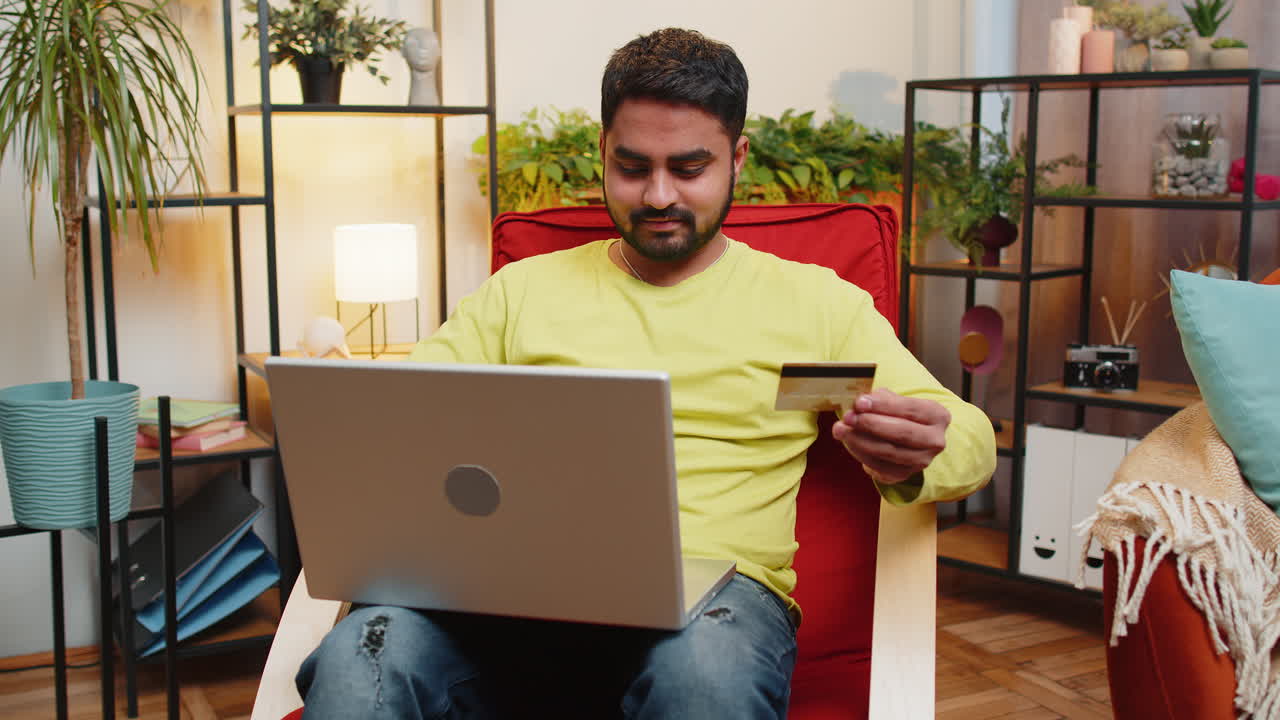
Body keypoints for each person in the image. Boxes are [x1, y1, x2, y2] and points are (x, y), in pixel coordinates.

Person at [296, 27, 996, 719]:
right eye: (633, 167)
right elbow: (402, 413)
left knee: (704, 675)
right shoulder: (522, 293)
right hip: (511, 606)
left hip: (713, 610)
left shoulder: (816, 303)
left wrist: (918, 448)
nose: (659, 195)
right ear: (603, 153)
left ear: (737, 157)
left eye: (689, 168)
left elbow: (968, 436)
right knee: (365, 651)